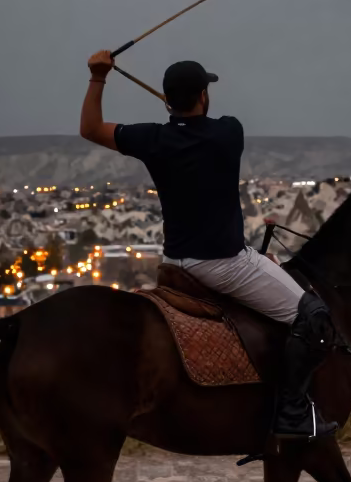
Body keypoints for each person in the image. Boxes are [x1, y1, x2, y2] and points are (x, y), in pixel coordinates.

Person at [80, 51, 337, 439]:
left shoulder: (152, 139)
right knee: (314, 317)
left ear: (168, 100)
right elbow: (207, 123)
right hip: (224, 263)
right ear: (203, 95)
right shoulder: (229, 133)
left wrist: (98, 76)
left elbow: (91, 128)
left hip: (175, 261)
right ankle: (292, 412)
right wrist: (181, 110)